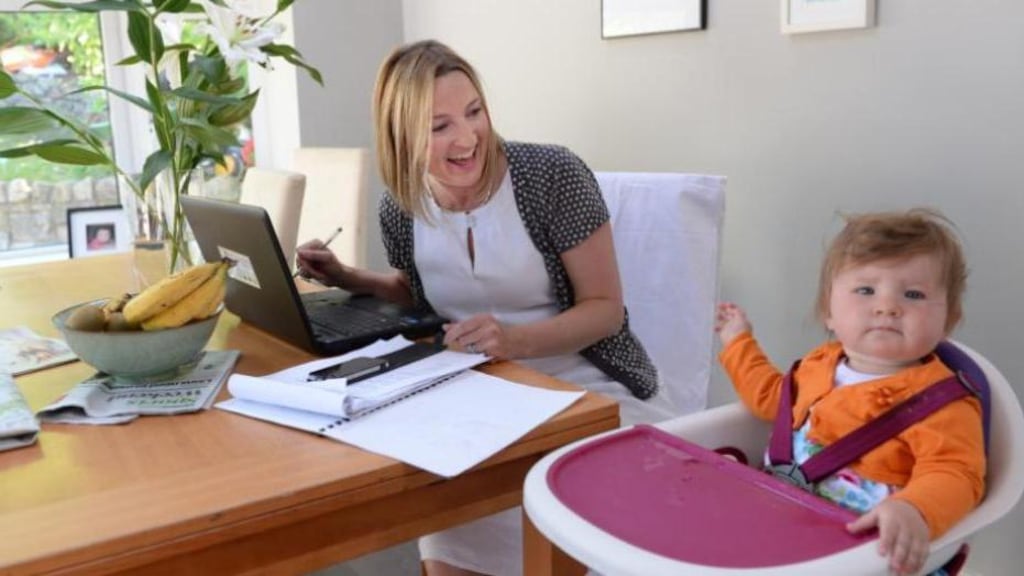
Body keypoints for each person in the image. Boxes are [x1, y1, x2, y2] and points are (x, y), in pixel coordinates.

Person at [295, 39, 676, 576]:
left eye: (474, 112)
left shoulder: (551, 177)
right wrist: (347, 277)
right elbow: (421, 295)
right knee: (448, 519)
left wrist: (514, 341)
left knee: (553, 523)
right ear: (401, 136)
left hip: (585, 387)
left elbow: (605, 309)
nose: (467, 137)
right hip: (478, 393)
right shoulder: (401, 204)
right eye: (439, 125)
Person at [715, 208, 985, 576]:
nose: (887, 306)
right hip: (784, 532)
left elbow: (956, 472)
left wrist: (915, 509)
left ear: (948, 321)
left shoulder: (943, 403)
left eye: (913, 294)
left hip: (867, 556)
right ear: (829, 310)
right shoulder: (818, 365)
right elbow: (769, 398)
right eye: (865, 290)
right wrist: (738, 341)